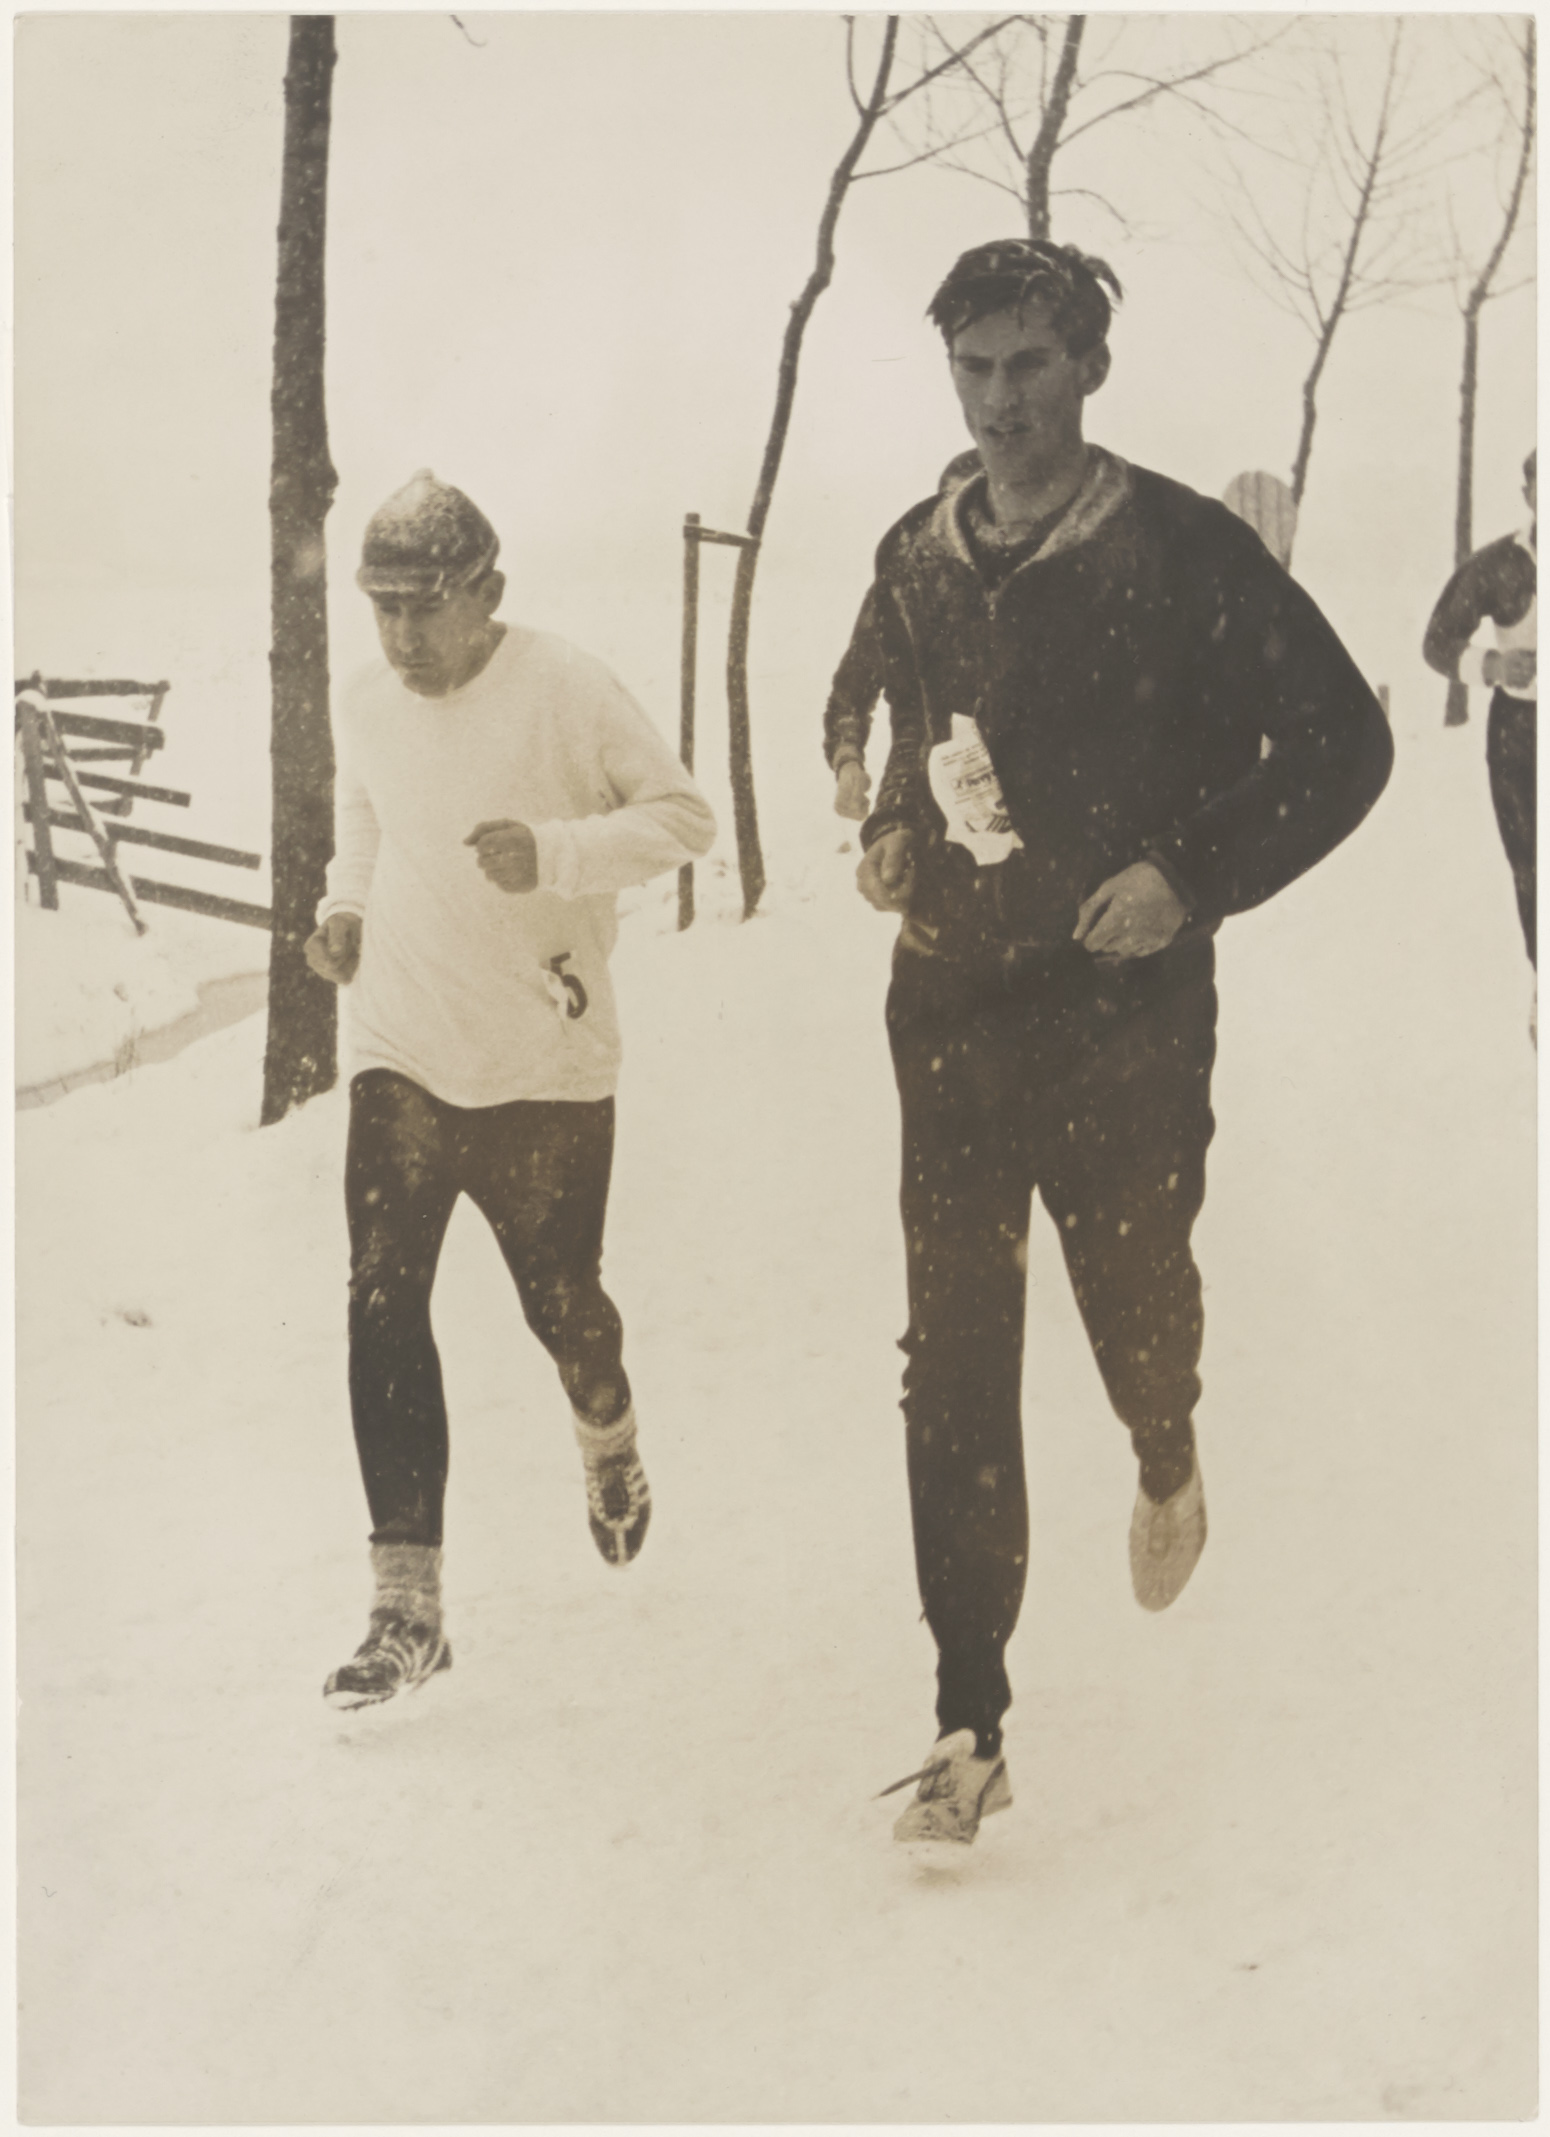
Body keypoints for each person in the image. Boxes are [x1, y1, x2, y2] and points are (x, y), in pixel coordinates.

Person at [845, 239, 1393, 1849]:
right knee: (950, 1356)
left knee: (1130, 1298)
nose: (998, 401)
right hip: (950, 1001)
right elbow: (910, 726)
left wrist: (1187, 876)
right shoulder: (915, 551)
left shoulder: (1181, 546)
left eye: (1028, 364)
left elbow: (1345, 745)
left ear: (1087, 368)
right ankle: (967, 1719)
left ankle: (1163, 1443)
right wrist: (888, 828)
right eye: (972, 368)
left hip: (1121, 1016)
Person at [305, 471, 715, 1711]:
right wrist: (345, 906)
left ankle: (606, 1428)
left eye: (425, 606)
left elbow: (683, 818)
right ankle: (407, 1608)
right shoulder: (365, 699)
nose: (402, 636)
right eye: (382, 608)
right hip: (401, 1041)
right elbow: (364, 810)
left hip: (544, 1058)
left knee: (564, 1307)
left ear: (488, 591)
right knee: (381, 1300)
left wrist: (557, 851)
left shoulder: (565, 686)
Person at [1423, 449, 1537, 980]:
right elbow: (1438, 641)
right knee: (1532, 865)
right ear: (1529, 495)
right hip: (1521, 733)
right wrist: (1492, 664)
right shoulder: (1499, 564)